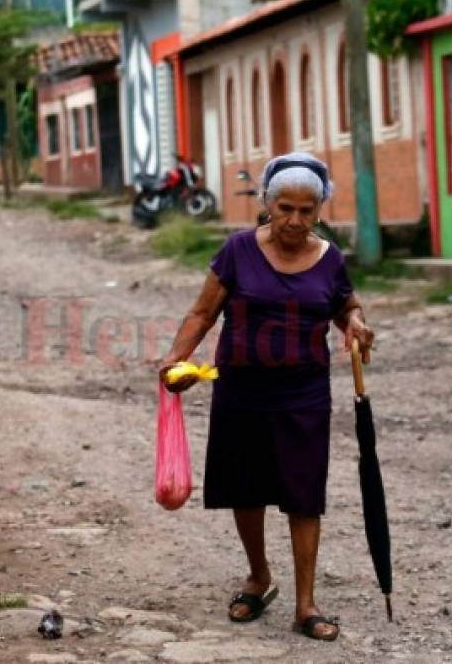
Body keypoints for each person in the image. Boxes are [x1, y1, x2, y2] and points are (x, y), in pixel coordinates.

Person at [159, 152, 374, 641]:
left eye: (306, 210)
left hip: (303, 390)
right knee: (246, 488)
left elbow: (344, 304)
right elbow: (202, 312)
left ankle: (306, 604)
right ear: (268, 206)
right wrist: (177, 357)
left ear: (319, 210)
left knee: (304, 494)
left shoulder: (331, 258)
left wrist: (355, 324)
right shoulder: (237, 251)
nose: (295, 220)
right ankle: (258, 577)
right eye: (285, 209)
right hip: (241, 385)